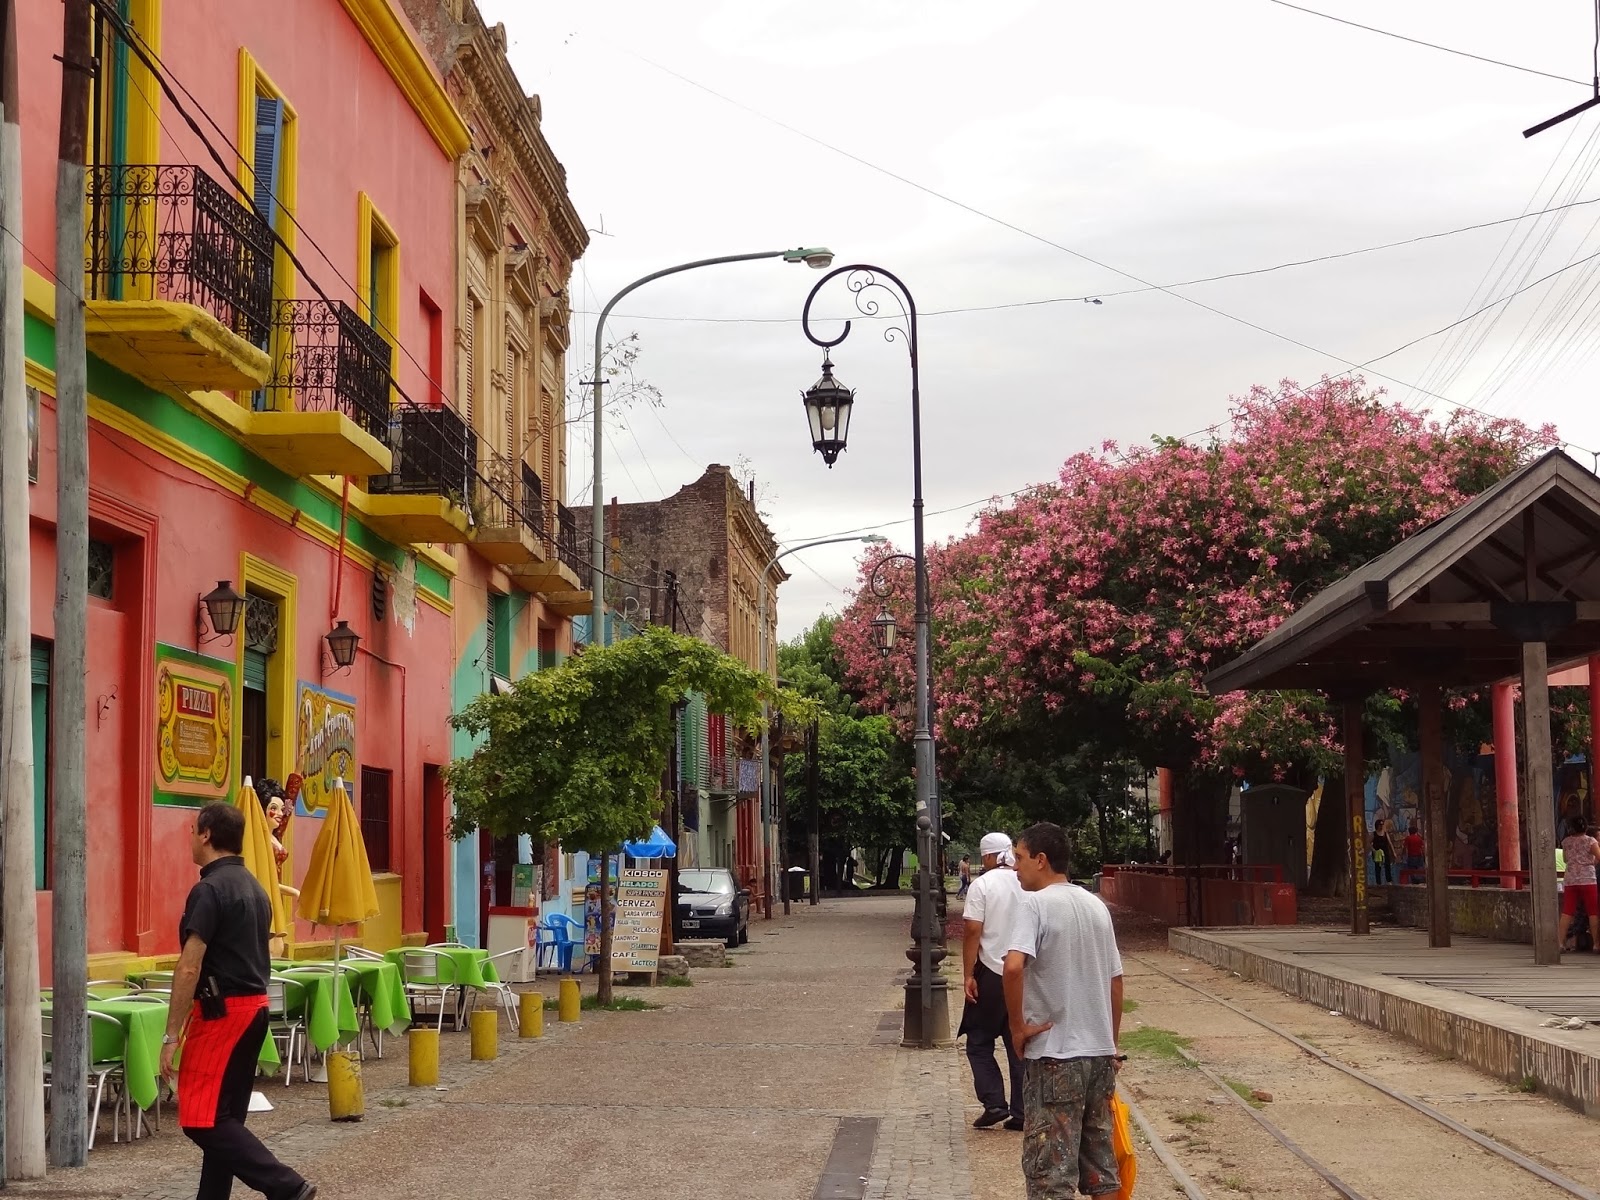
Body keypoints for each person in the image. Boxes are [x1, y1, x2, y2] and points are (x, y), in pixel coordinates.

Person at [160, 802, 316, 1200]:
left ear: (207, 834)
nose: (191, 837)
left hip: (223, 1014)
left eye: (194, 830)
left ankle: (287, 1187)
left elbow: (189, 967)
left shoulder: (209, 890)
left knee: (202, 1120)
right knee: (225, 1117)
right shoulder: (256, 888)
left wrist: (171, 1035)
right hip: (255, 1008)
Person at [1004, 822, 1124, 1199]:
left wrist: (1017, 1027)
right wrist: (1111, 1043)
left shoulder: (1035, 905)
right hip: (1099, 1055)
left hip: (1055, 1055)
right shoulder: (1096, 905)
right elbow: (1115, 980)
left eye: (1020, 857)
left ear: (1041, 860)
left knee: (1050, 1171)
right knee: (1101, 1164)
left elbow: (1012, 967)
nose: (1015, 866)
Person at [960, 833, 1024, 1131]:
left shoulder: (982, 885)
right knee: (1017, 1041)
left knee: (978, 1040)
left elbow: (973, 930)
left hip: (991, 972)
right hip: (1022, 972)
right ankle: (1022, 1111)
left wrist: (968, 974)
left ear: (986, 856)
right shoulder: (1025, 881)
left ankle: (994, 1102)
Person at [1560, 815, 1600, 955]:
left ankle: (1560, 943)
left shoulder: (1566, 842)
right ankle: (1596, 944)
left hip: (1571, 879)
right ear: (1586, 827)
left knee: (1567, 911)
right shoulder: (1591, 841)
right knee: (1593, 912)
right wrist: (1591, 861)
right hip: (1588, 879)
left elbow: (1565, 859)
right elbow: (1599, 857)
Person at [1371, 818, 1395, 885]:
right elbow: (1369, 843)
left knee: (1387, 866)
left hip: (1385, 851)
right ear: (1377, 825)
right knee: (1378, 867)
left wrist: (1393, 852)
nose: (1381, 826)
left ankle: (1389, 880)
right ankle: (1378, 882)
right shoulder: (1374, 834)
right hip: (1377, 853)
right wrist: (1373, 850)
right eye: (1380, 824)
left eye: (1382, 824)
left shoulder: (1385, 833)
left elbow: (1390, 843)